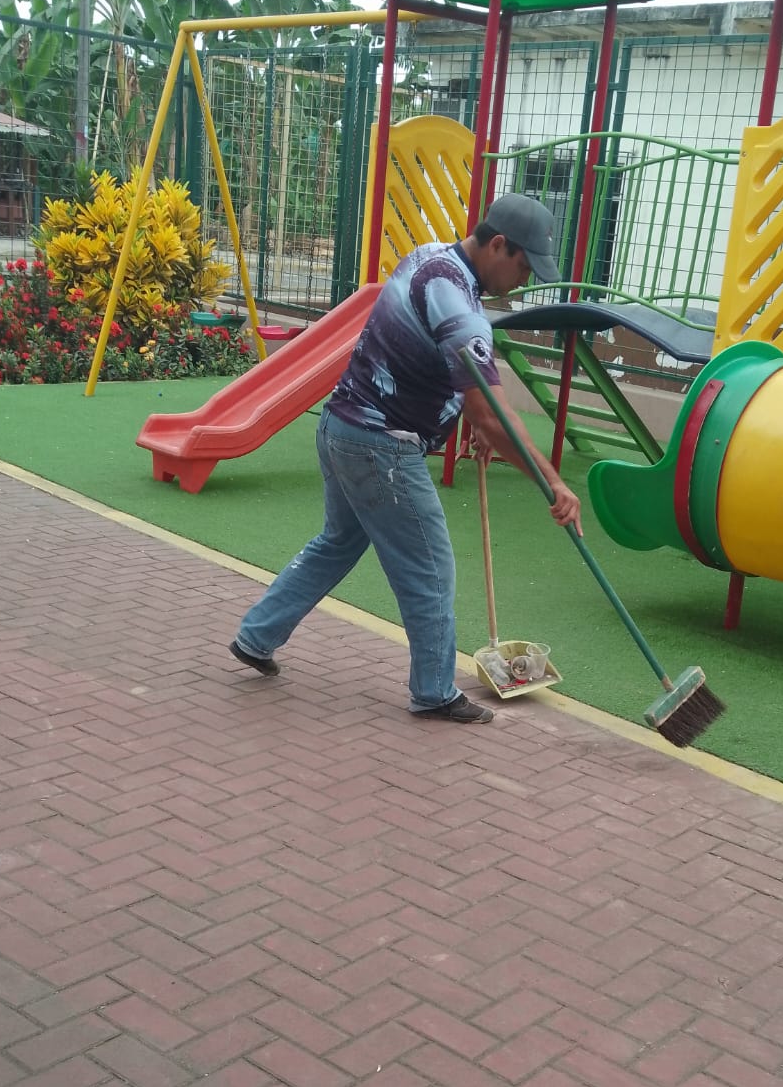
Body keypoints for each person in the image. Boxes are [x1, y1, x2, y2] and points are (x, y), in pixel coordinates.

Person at [229, 191, 582, 724]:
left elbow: (435, 365)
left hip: (340, 426)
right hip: (382, 448)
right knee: (431, 568)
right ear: (498, 245)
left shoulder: (428, 255)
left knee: (338, 541)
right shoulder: (461, 308)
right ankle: (434, 692)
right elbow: (493, 414)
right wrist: (552, 481)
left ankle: (256, 636)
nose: (524, 280)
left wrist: (471, 417)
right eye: (523, 266)